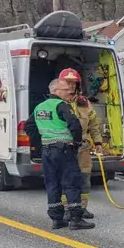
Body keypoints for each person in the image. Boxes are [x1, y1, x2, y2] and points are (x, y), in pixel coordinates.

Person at [24, 78, 95, 230]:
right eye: (65, 89)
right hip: (64, 150)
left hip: (47, 151)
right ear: (56, 91)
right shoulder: (62, 105)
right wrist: (76, 143)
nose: (69, 91)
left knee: (52, 184)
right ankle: (76, 219)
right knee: (71, 183)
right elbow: (75, 125)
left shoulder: (39, 107)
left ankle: (57, 219)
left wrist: (41, 143)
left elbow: (28, 126)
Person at [59, 68, 106, 221]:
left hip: (83, 149)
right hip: (65, 148)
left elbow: (93, 123)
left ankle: (82, 208)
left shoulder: (84, 102)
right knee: (67, 179)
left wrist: (98, 142)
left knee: (84, 179)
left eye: (74, 83)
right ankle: (67, 209)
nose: (71, 86)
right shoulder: (57, 102)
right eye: (68, 83)